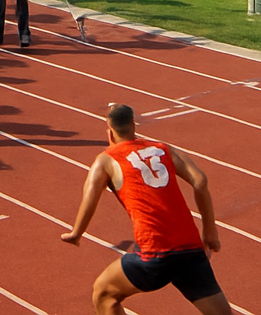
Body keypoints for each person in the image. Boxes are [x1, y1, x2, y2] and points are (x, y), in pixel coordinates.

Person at [61, 103, 231, 315]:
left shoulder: (106, 159)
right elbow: (200, 181)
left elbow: (90, 197)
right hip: (190, 249)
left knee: (104, 293)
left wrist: (77, 233)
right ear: (134, 124)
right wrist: (210, 231)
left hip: (154, 254)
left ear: (109, 128)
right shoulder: (162, 149)